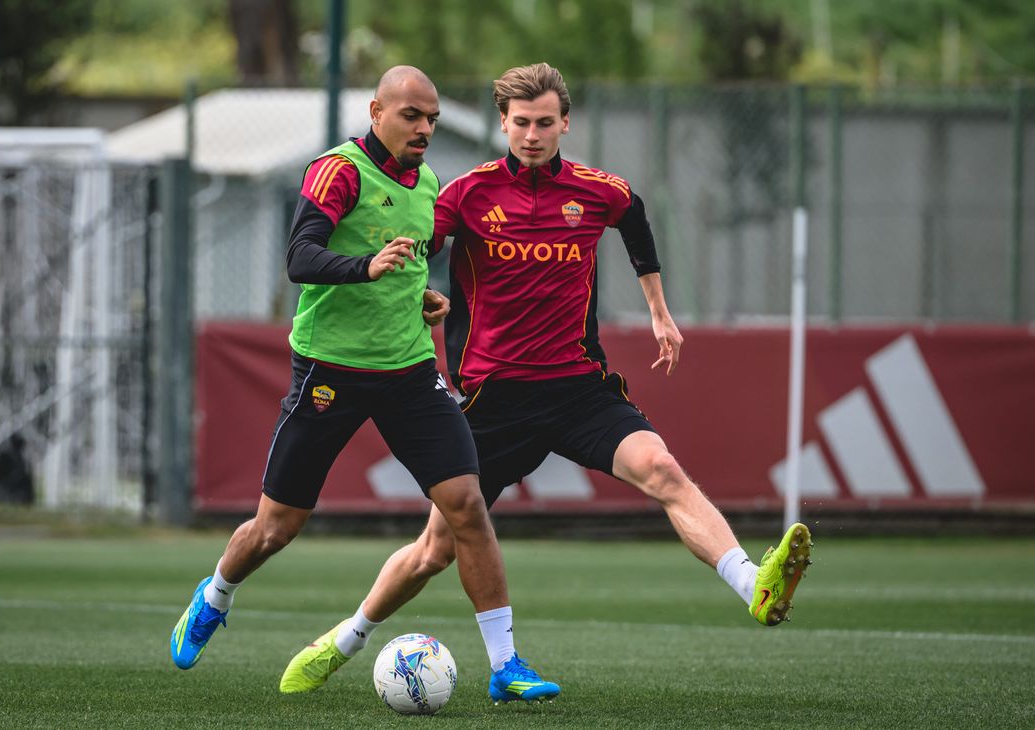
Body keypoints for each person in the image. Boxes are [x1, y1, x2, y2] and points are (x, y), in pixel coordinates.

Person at [285, 62, 815, 697]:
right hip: (492, 398)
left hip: (578, 390)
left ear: (565, 123)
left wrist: (660, 311)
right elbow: (412, 256)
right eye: (520, 123)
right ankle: (345, 639)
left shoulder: (598, 190)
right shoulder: (462, 195)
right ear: (502, 124)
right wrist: (422, 298)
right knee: (434, 552)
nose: (531, 135)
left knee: (664, 471)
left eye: (544, 123)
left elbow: (635, 219)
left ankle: (753, 585)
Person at [169, 65, 560, 704]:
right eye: (412, 115)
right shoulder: (340, 170)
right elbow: (300, 257)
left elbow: (400, 268)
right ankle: (214, 597)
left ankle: (506, 665)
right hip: (330, 370)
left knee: (467, 504)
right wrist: (363, 266)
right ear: (377, 111)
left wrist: (426, 298)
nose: (425, 129)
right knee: (276, 527)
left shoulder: (427, 181)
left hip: (408, 372)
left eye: (433, 118)